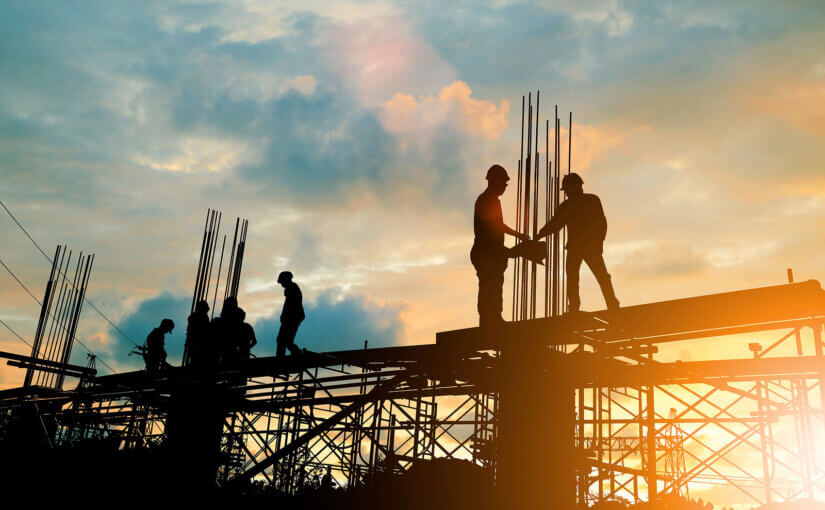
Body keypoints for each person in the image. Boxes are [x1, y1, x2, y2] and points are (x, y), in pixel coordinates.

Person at [535, 173, 619, 312]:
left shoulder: (589, 201)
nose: (567, 193)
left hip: (588, 246)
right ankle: (576, 307)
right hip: (577, 247)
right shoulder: (571, 205)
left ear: (577, 186)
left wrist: (599, 243)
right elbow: (555, 224)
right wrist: (540, 234)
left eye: (567, 189)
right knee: (575, 278)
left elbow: (601, 223)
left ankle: (611, 305)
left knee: (600, 276)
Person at [471, 164, 529, 327]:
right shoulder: (487, 201)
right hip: (486, 253)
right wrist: (520, 236)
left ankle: (493, 317)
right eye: (503, 183)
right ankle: (488, 320)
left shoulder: (492, 200)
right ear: (493, 182)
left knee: (495, 284)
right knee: (490, 285)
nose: (504, 187)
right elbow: (497, 226)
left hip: (491, 252)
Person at [276, 271, 304, 357]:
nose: (282, 285)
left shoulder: (292, 288)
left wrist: (284, 315)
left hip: (293, 317)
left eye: (282, 282)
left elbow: (289, 305)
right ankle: (295, 353)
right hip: (294, 317)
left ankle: (282, 358)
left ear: (286, 280)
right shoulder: (292, 288)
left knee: (282, 340)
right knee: (285, 341)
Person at [184, 300, 210, 367]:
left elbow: (189, 331)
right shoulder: (202, 317)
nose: (208, 310)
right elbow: (204, 331)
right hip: (199, 344)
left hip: (193, 344)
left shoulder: (193, 317)